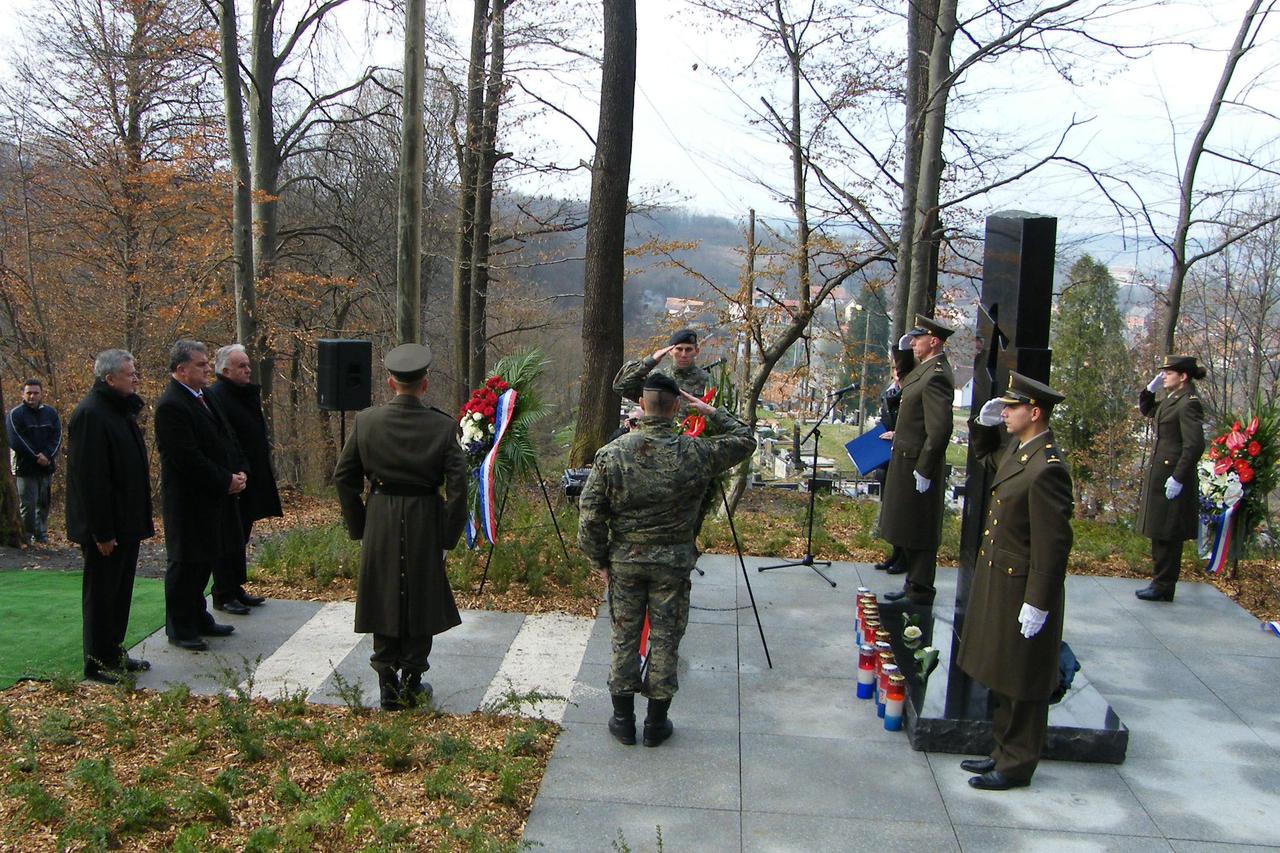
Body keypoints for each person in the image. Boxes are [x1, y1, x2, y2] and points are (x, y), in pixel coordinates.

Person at [578, 373, 755, 747]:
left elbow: (590, 512)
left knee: (624, 638)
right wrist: (708, 410)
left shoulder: (613, 454)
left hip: (626, 561)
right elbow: (745, 439)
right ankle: (656, 724)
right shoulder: (695, 452)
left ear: (641, 406)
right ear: (676, 407)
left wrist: (600, 559)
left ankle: (623, 720)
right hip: (673, 564)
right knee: (665, 639)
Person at [334, 343, 468, 711]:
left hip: (380, 517)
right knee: (421, 595)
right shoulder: (442, 427)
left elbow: (343, 477)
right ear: (424, 384)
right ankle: (411, 679)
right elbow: (458, 485)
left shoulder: (366, 422)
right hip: (425, 515)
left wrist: (360, 525)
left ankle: (386, 683)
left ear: (391, 382)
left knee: (383, 591)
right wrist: (448, 534)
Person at [957, 372, 1074, 791]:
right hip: (1002, 580)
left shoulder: (1047, 469)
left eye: (1011, 408)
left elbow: (1053, 544)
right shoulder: (1022, 452)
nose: (1005, 413)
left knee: (1024, 678)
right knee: (1007, 671)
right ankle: (1001, 752)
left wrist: (1039, 601)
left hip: (1023, 585)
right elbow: (989, 460)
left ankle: (1017, 764)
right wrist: (983, 426)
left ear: (1035, 412)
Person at [65, 351, 154, 683]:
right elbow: (91, 480)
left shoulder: (120, 411)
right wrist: (101, 532)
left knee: (120, 592)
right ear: (109, 379)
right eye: (129, 374)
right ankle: (97, 660)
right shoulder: (91, 414)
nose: (135, 378)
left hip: (126, 522)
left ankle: (114, 650)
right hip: (106, 528)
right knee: (101, 595)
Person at [154, 340, 246, 651]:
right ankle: (180, 627)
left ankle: (198, 615)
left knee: (206, 559)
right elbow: (187, 458)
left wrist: (238, 471)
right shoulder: (171, 406)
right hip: (188, 501)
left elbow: (225, 437)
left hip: (214, 497)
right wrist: (224, 480)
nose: (207, 369)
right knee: (185, 564)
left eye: (207, 363)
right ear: (181, 370)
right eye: (200, 365)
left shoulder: (204, 395)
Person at [880, 315, 956, 606]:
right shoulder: (924, 370)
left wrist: (925, 469)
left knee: (920, 528)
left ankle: (920, 590)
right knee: (909, 525)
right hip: (907, 457)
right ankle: (912, 584)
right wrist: (900, 349)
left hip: (918, 464)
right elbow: (905, 381)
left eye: (917, 338)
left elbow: (939, 430)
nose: (912, 343)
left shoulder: (936, 375)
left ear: (933, 341)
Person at [208, 344, 282, 614]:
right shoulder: (217, 396)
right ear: (225, 370)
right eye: (242, 366)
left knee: (242, 536)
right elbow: (224, 439)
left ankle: (236, 587)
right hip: (233, 479)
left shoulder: (243, 395)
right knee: (228, 538)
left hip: (251, 476)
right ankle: (222, 592)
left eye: (248, 365)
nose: (248, 369)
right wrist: (235, 473)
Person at [1134, 355, 1207, 602]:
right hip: (1162, 475)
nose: (1163, 376)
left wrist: (1178, 477)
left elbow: (1194, 445)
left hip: (1174, 476)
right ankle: (1159, 581)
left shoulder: (1189, 403)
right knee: (1159, 529)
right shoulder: (1172, 400)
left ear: (1183, 376)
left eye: (1168, 372)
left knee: (1168, 532)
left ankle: (1164, 585)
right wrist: (1148, 391)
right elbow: (1149, 412)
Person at [6, 379, 62, 544]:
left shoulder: (51, 413)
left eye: (36, 393)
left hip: (46, 467)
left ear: (41, 394)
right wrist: (36, 457)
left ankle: (41, 534)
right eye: (29, 393)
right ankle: (27, 535)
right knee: (28, 505)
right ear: (22, 394)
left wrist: (47, 456)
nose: (32, 396)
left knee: (43, 503)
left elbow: (57, 437)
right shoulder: (15, 414)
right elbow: (15, 440)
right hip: (25, 467)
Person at [874, 349, 915, 574]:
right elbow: (884, 420)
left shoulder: (910, 394)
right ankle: (895, 552)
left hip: (903, 458)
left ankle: (904, 557)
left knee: (902, 512)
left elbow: (916, 426)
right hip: (887, 459)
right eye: (894, 370)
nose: (897, 376)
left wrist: (896, 434)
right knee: (890, 510)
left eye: (901, 372)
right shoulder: (889, 392)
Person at [613, 328, 711, 403]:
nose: (683, 355)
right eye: (679, 349)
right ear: (670, 351)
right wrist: (651, 361)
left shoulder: (707, 381)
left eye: (688, 350)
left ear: (696, 351)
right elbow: (620, 386)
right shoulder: (657, 377)